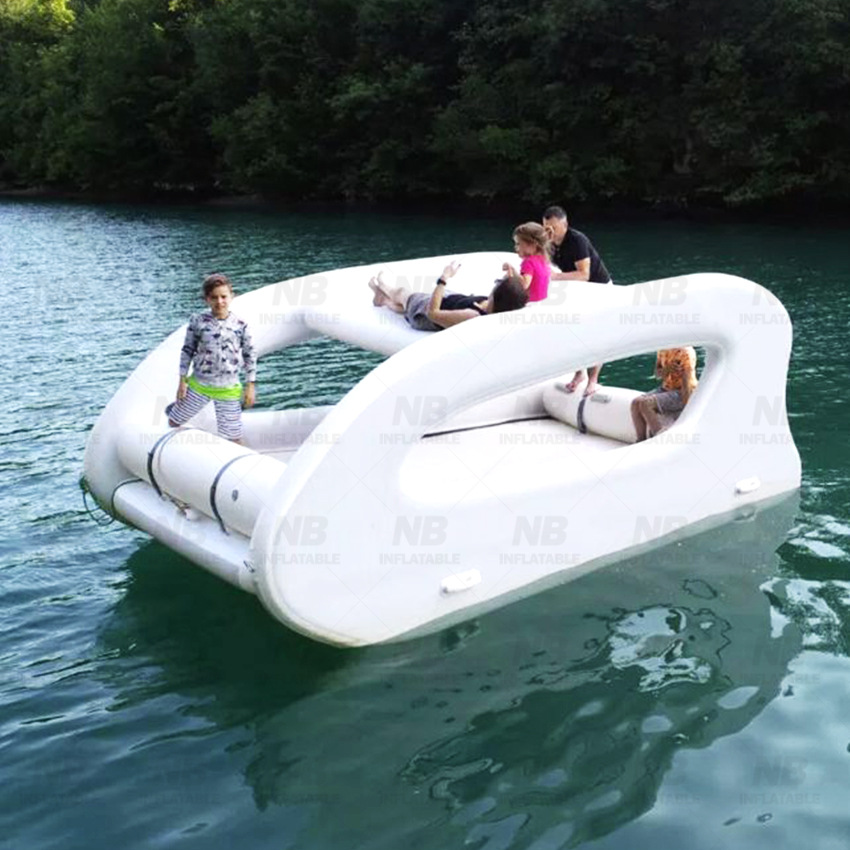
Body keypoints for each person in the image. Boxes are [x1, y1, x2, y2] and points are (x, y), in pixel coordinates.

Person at [166, 272, 257, 443]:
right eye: (214, 297)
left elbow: (249, 355)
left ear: (231, 296)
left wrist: (250, 385)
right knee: (173, 421)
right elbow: (187, 350)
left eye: (223, 297)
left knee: (234, 438)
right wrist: (182, 381)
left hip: (228, 388)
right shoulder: (197, 321)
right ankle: (175, 411)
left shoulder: (240, 325)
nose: (219, 301)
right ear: (207, 299)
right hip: (200, 385)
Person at [542, 205, 613, 395]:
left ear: (564, 225)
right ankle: (579, 374)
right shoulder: (549, 242)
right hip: (577, 291)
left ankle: (593, 380)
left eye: (553, 228)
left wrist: (555, 277)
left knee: (595, 335)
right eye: (546, 228)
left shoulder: (576, 240)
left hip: (599, 289)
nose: (550, 232)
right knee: (571, 332)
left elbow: (584, 274)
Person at [369, 261, 528, 331]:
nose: (496, 283)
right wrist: (512, 274)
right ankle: (382, 300)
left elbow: (433, 313)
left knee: (404, 294)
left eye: (498, 283)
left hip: (426, 313)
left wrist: (444, 278)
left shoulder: (472, 316)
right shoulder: (497, 307)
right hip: (445, 303)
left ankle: (381, 285)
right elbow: (519, 290)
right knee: (404, 307)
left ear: (499, 295)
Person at [631, 347, 698, 442]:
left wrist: (687, 408)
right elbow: (657, 374)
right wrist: (667, 369)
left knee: (646, 404)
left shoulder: (685, 352)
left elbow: (687, 382)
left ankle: (661, 439)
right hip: (665, 389)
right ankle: (641, 441)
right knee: (635, 403)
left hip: (680, 392)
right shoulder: (662, 349)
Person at [501, 222, 551, 302]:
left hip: (528, 301)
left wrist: (512, 271)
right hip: (541, 300)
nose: (515, 247)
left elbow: (524, 284)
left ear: (532, 244)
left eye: (518, 244)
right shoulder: (542, 259)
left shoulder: (528, 262)